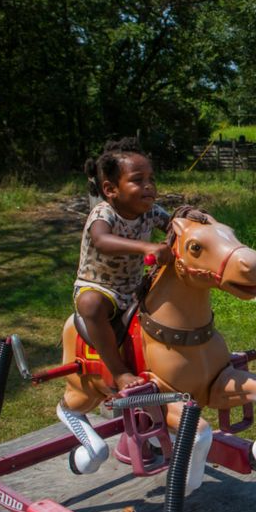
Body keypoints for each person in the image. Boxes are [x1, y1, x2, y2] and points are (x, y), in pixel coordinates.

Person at [74, 138, 172, 391]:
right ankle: (118, 372)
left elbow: (175, 226)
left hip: (134, 285)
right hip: (100, 287)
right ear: (110, 189)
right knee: (91, 305)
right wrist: (147, 247)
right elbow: (102, 240)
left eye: (152, 179)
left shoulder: (152, 211)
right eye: (138, 180)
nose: (149, 186)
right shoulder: (103, 213)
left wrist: (195, 223)